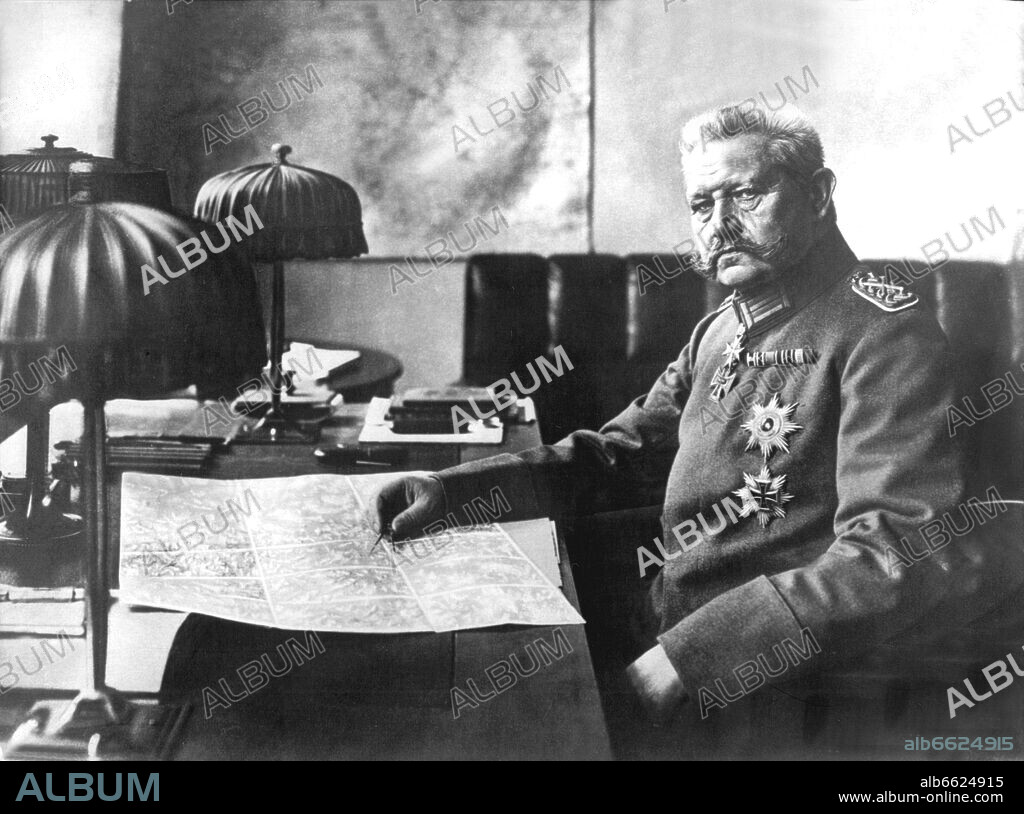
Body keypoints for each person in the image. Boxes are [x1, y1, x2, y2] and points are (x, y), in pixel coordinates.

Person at [372, 101, 1015, 742]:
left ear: (819, 195)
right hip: (663, 615)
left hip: (763, 684)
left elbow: (892, 554)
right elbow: (618, 453)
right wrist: (456, 491)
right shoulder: (723, 326)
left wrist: (689, 660)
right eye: (702, 206)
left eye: (746, 194)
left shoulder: (885, 335)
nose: (719, 226)